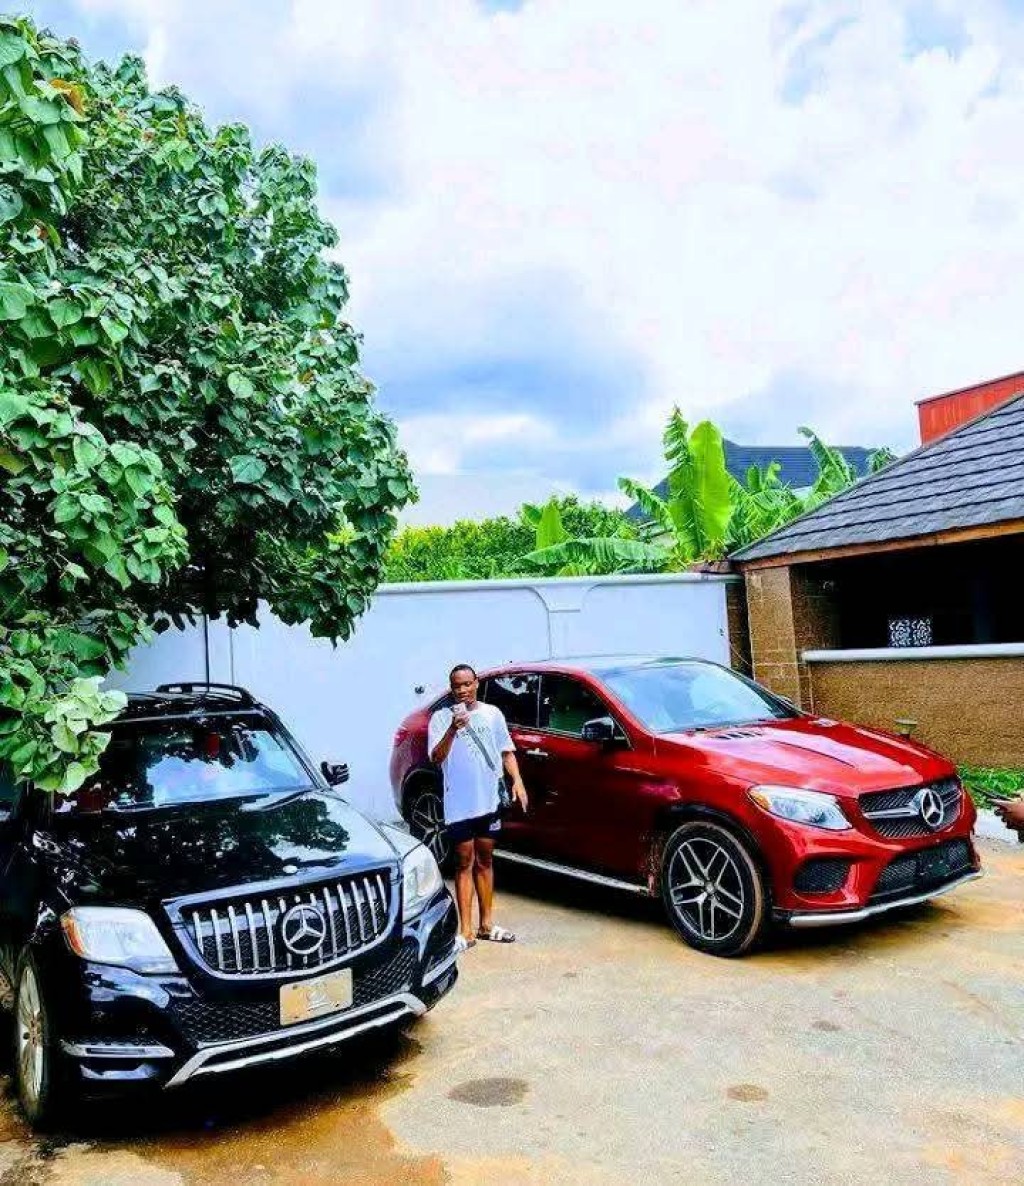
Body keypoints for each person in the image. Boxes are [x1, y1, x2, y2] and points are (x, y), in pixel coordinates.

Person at [428, 664, 528, 950]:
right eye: (456, 686)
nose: (462, 690)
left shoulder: (492, 714)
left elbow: (506, 752)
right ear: (451, 688)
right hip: (459, 805)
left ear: (476, 683)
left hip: (488, 801)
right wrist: (452, 729)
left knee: (485, 860)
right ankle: (467, 930)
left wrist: (517, 781)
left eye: (467, 684)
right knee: (464, 862)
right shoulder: (440, 718)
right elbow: (436, 758)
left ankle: (486, 925)